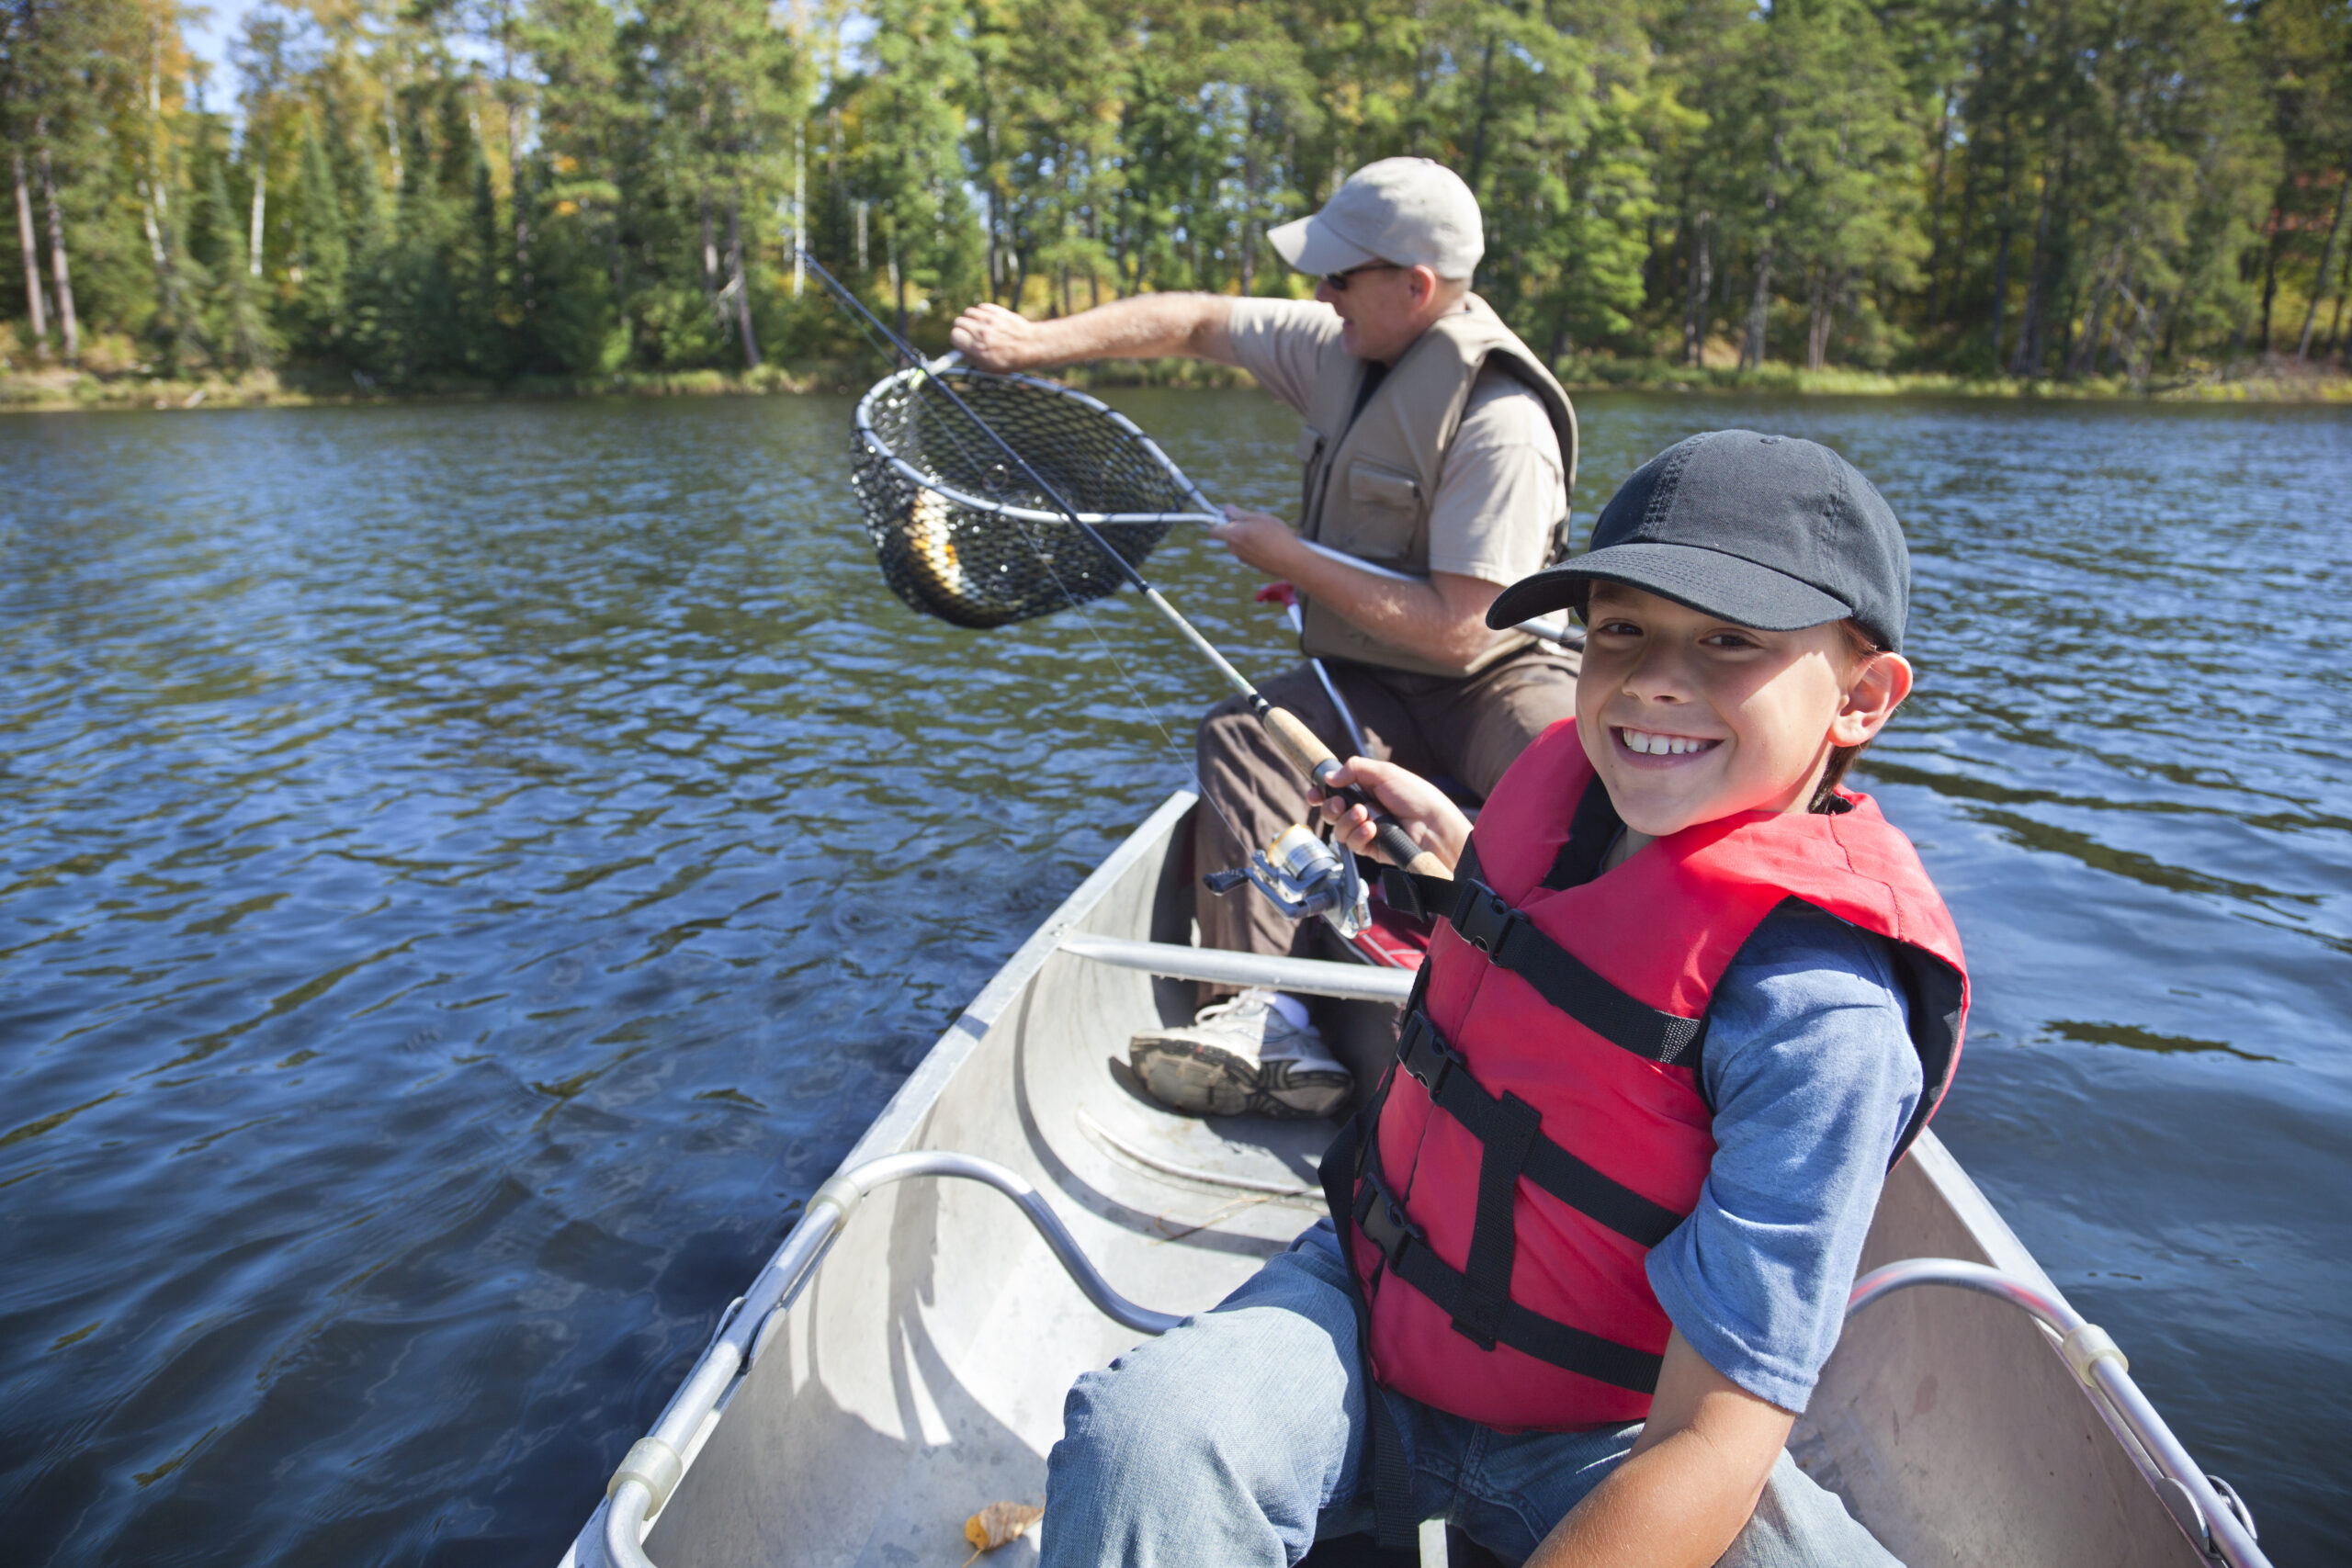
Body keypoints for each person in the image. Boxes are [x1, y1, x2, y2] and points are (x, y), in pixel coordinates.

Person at [1035, 430, 1970, 1568]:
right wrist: (1452, 853)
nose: (1656, 678)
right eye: (1619, 628)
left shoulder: (1825, 1022)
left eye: (1730, 641)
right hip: (1370, 1309)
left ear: (1863, 698)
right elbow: (1565, 976)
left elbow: (1710, 1440)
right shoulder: (1568, 808)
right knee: (1147, 1446)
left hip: (1614, 1424)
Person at [951, 158, 1580, 1120]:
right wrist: (1034, 345)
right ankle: (1259, 1013)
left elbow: (1462, 631)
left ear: (1414, 286)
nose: (1318, 294)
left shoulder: (1503, 421)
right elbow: (1200, 320)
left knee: (1575, 773)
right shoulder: (1340, 344)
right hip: (1366, 676)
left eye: (1338, 276)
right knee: (1244, 735)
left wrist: (1292, 555)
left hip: (1495, 672)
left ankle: (1597, 1004)